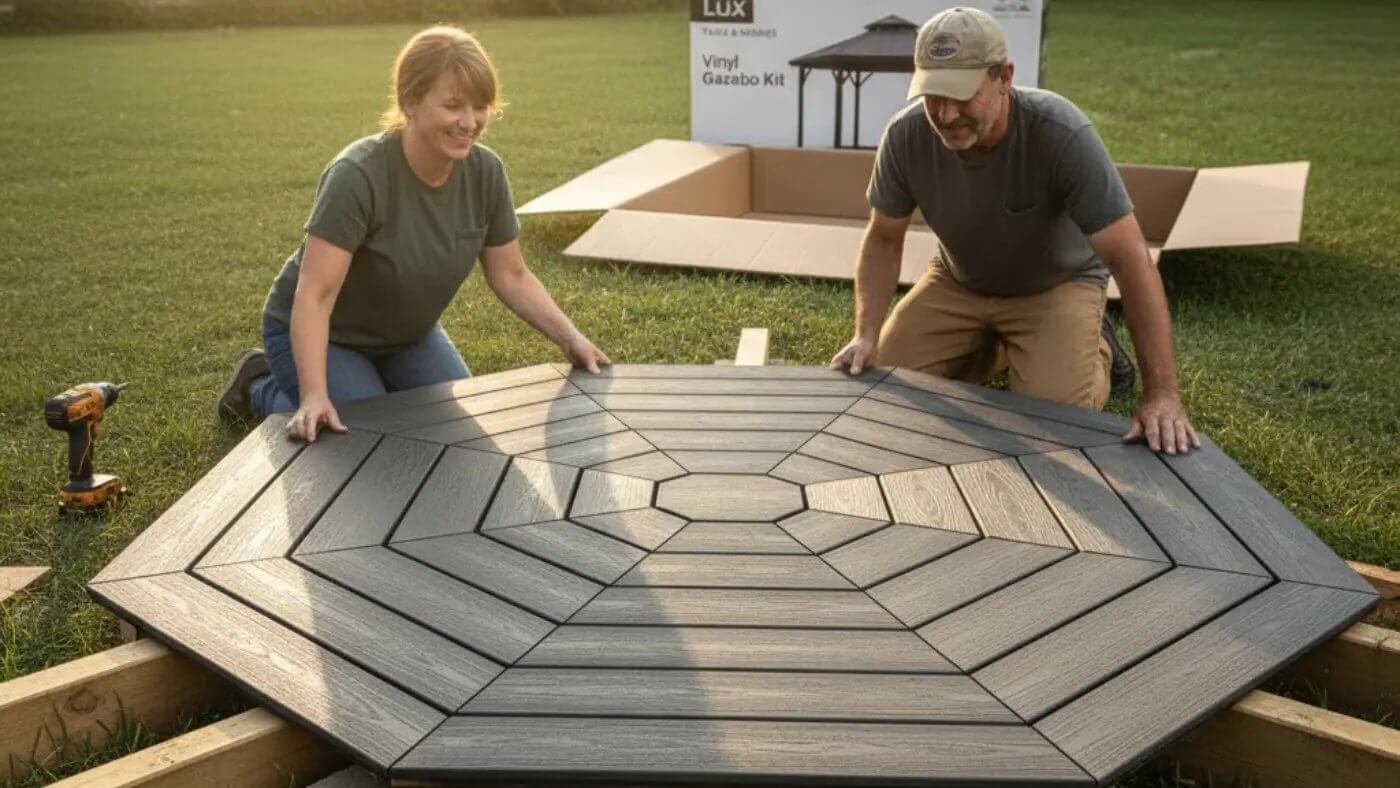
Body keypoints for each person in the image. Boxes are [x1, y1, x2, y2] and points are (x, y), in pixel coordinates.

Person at [831, 7, 1199, 455]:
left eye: (960, 95)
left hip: (1054, 285)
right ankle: (998, 344)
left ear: (1004, 77)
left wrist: (1162, 395)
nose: (945, 115)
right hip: (959, 281)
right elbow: (884, 237)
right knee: (886, 380)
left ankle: (1097, 349)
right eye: (932, 95)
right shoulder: (905, 136)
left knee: (1053, 416)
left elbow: (1130, 259)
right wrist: (866, 333)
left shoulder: (1060, 132)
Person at [217, 25, 609, 441]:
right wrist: (314, 393)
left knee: (460, 438)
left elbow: (510, 275)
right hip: (328, 333)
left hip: (406, 336)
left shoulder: (486, 172)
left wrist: (571, 339)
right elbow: (315, 295)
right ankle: (260, 388)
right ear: (410, 102)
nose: (469, 122)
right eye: (454, 105)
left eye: (480, 106)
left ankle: (362, 385)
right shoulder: (358, 175)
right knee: (366, 434)